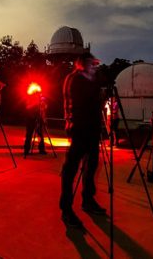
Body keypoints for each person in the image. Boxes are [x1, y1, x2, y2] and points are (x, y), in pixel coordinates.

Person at [59, 52, 106, 228]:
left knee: (92, 165)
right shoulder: (74, 79)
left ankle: (88, 199)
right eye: (90, 63)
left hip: (93, 129)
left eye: (94, 62)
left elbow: (97, 102)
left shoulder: (92, 80)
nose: (94, 65)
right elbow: (77, 103)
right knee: (71, 169)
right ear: (80, 64)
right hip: (79, 128)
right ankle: (66, 209)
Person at [23, 89, 46, 155]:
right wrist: (35, 103)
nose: (38, 95)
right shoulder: (30, 99)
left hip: (38, 118)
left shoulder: (39, 101)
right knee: (29, 135)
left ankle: (42, 150)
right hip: (30, 119)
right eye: (37, 94)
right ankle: (26, 150)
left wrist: (43, 106)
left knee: (41, 135)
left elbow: (42, 109)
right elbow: (27, 107)